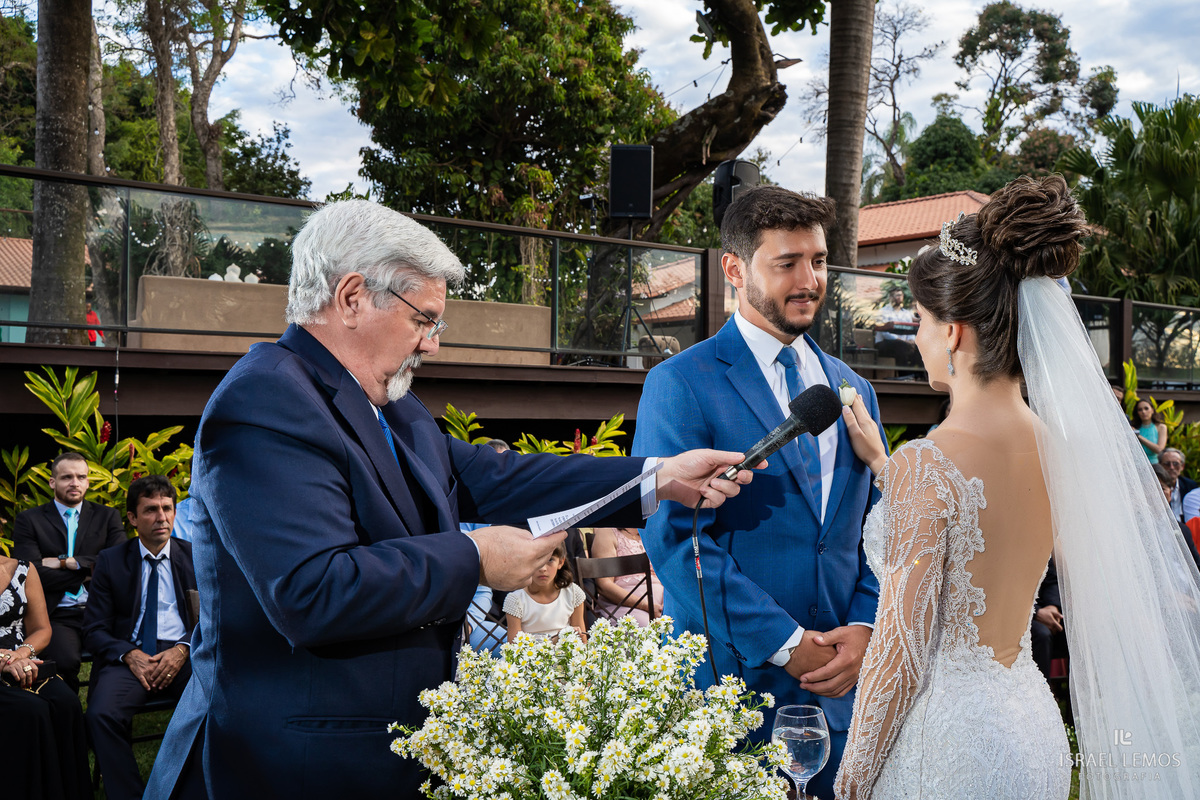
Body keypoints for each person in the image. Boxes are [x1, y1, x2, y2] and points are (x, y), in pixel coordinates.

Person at [145, 199, 755, 800]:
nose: (432, 344)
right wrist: (476, 558)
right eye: (424, 319)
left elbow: (498, 478)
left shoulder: (393, 406)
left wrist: (657, 477)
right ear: (352, 298)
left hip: (385, 749)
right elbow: (313, 590)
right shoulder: (264, 401)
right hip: (298, 762)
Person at [835, 175, 1200, 799]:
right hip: (1032, 731)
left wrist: (850, 782)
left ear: (954, 331)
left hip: (948, 746)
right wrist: (883, 465)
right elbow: (986, 527)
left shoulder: (928, 464)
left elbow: (900, 652)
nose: (917, 336)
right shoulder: (1061, 450)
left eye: (920, 320)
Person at [633, 185, 883, 800]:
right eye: (787, 263)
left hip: (845, 696)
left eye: (818, 261)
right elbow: (674, 541)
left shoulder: (854, 388)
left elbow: (878, 528)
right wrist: (786, 644)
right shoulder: (679, 383)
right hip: (731, 696)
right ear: (734, 269)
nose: (809, 281)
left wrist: (865, 625)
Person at [84, 475, 197, 800]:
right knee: (102, 714)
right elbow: (93, 629)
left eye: (167, 508)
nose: (161, 517)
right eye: (151, 510)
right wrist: (129, 655)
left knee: (219, 705)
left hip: (183, 654)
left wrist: (183, 649)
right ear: (132, 518)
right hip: (130, 657)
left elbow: (214, 618)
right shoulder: (111, 561)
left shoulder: (195, 556)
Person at [13, 451, 127, 691]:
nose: (75, 483)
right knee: (63, 663)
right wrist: (91, 570)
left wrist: (64, 562)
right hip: (56, 614)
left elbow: (118, 563)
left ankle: (102, 707)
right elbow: (29, 574)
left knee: (118, 657)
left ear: (88, 482)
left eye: (81, 477)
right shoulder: (29, 520)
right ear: (52, 482)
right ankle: (70, 711)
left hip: (101, 610)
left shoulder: (107, 517)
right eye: (67, 477)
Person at [0, 554, 91, 800]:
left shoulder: (23, 569)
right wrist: (4, 660)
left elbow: (42, 629)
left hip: (22, 660)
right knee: (31, 710)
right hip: (6, 664)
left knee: (67, 703)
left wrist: (20, 654)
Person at [503, 541, 586, 641]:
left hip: (565, 650)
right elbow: (513, 647)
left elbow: (582, 641)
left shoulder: (573, 593)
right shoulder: (516, 600)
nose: (543, 568)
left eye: (550, 560)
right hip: (531, 650)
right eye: (536, 560)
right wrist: (554, 641)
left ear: (560, 562)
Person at [590, 526, 663, 626]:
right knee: (642, 625)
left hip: (662, 602)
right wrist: (646, 606)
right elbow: (604, 585)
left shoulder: (653, 530)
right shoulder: (607, 532)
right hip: (624, 606)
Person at [873, 286, 920, 367]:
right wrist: (902, 341)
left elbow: (910, 330)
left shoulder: (906, 313)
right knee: (900, 345)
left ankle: (916, 372)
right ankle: (903, 373)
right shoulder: (883, 312)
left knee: (919, 346)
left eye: (901, 295)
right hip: (884, 343)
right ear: (890, 297)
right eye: (897, 295)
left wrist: (911, 340)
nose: (899, 297)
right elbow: (885, 333)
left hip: (905, 344)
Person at [1160, 447, 1196, 522]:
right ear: (1160, 466)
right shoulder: (1155, 487)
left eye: (1175, 464)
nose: (1171, 467)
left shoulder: (1190, 485)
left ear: (1182, 466)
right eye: (1167, 464)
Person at [1131, 398, 1167, 463]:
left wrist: (1139, 436)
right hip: (1136, 463)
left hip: (1153, 464)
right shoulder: (1133, 428)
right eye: (1140, 410)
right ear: (1137, 413)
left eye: (1146, 408)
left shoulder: (1161, 427)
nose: (1143, 412)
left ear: (1152, 410)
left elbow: (1159, 449)